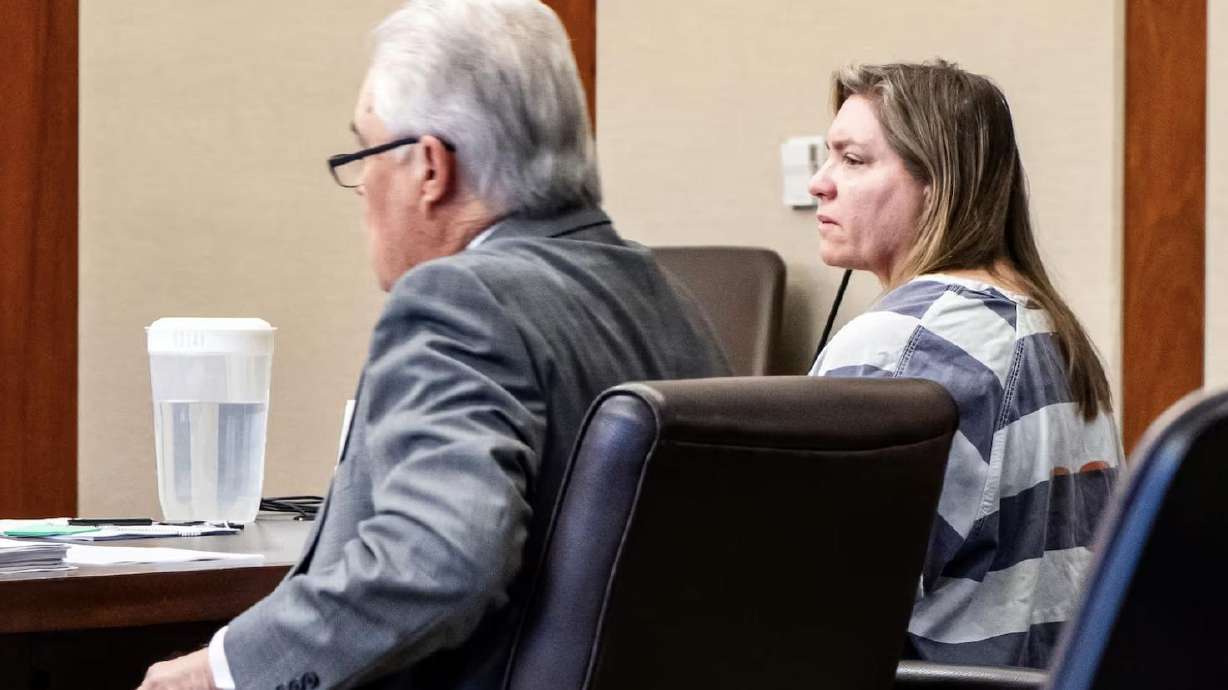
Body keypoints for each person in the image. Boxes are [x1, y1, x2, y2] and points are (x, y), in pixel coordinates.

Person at [138, 1, 729, 688]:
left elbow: (439, 555)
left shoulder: (457, 301)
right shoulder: (672, 301)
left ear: (428, 168)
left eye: (365, 151)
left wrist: (222, 673)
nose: (361, 189)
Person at [806, 60, 1122, 668]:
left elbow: (815, 603)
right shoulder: (1052, 328)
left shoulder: (900, 345)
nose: (821, 183)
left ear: (938, 181)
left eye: (853, 160)